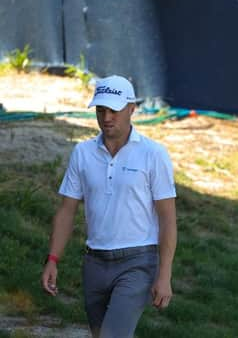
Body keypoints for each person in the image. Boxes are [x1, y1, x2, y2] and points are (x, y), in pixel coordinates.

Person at [40, 75, 177, 338]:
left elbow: (168, 218)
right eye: (101, 110)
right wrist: (53, 259)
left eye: (114, 110)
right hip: (94, 263)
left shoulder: (153, 154)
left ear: (132, 108)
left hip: (137, 262)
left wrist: (164, 275)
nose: (107, 117)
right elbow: (67, 209)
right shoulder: (82, 153)